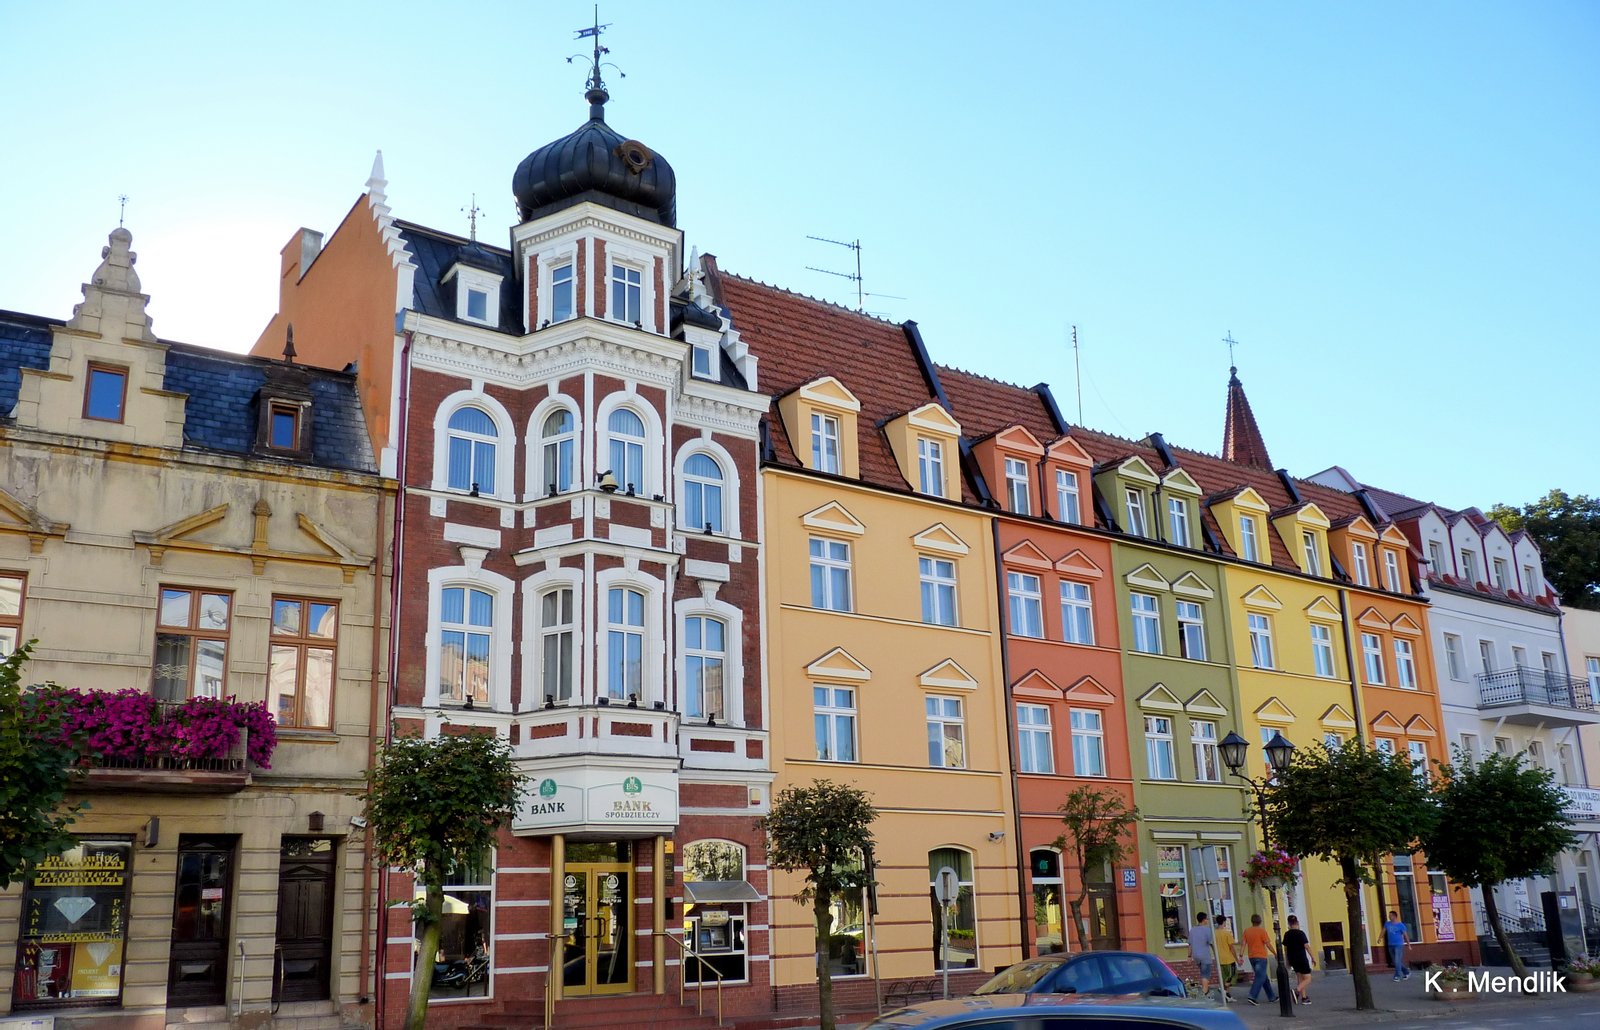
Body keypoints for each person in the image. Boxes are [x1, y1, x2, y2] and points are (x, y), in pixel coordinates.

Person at [1242, 913, 1277, 1006]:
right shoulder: (1262, 931)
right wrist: (1275, 953)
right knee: (1260, 977)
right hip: (1261, 957)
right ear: (1260, 921)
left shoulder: (1247, 931)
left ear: (1252, 921)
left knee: (1264, 977)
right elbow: (1268, 944)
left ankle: (1271, 997)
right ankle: (1252, 996)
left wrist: (1241, 954)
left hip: (1251, 957)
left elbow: (1243, 943)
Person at [1283, 914, 1314, 1003]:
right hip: (1301, 958)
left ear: (1289, 924)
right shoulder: (1300, 933)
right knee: (1308, 978)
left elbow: (1285, 948)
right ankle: (1296, 990)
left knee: (1300, 977)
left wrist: (1287, 959)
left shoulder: (1287, 934)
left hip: (1292, 959)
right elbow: (1306, 946)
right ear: (1297, 923)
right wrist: (1312, 957)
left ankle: (1304, 998)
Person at [1188, 910, 1216, 999]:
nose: (1207, 920)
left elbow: (1190, 944)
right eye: (1207, 919)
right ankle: (1204, 994)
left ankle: (1206, 991)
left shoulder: (1192, 930)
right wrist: (1216, 954)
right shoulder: (1207, 930)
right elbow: (1212, 943)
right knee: (1205, 975)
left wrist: (1189, 956)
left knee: (1203, 973)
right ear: (1204, 920)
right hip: (1205, 956)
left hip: (1196, 956)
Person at [1214, 915, 1238, 1001]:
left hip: (1219, 959)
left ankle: (1227, 996)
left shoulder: (1214, 933)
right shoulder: (1227, 933)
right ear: (1224, 922)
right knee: (1232, 977)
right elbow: (1231, 948)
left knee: (1224, 978)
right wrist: (1237, 959)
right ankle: (1223, 989)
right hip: (1228, 959)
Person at [1383, 911, 1411, 981]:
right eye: (1389, 915)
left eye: (1391, 915)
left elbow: (1405, 935)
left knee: (1397, 960)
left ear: (1395, 916)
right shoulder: (1387, 924)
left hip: (1399, 945)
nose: (1389, 917)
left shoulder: (1400, 925)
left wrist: (1408, 944)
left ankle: (1397, 976)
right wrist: (1380, 938)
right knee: (1395, 961)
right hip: (1390, 944)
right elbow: (1383, 931)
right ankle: (1406, 972)